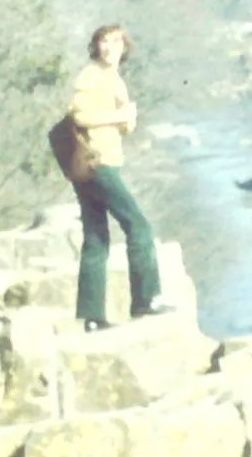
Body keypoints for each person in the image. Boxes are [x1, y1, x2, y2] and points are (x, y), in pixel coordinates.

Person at [65, 24, 172, 330]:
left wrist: (126, 119)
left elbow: (125, 126)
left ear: (125, 48)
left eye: (116, 42)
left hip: (98, 161)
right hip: (97, 163)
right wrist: (119, 116)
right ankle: (146, 300)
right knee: (138, 225)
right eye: (103, 41)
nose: (109, 47)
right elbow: (80, 116)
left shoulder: (113, 79)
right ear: (96, 46)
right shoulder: (92, 75)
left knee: (97, 237)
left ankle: (92, 317)